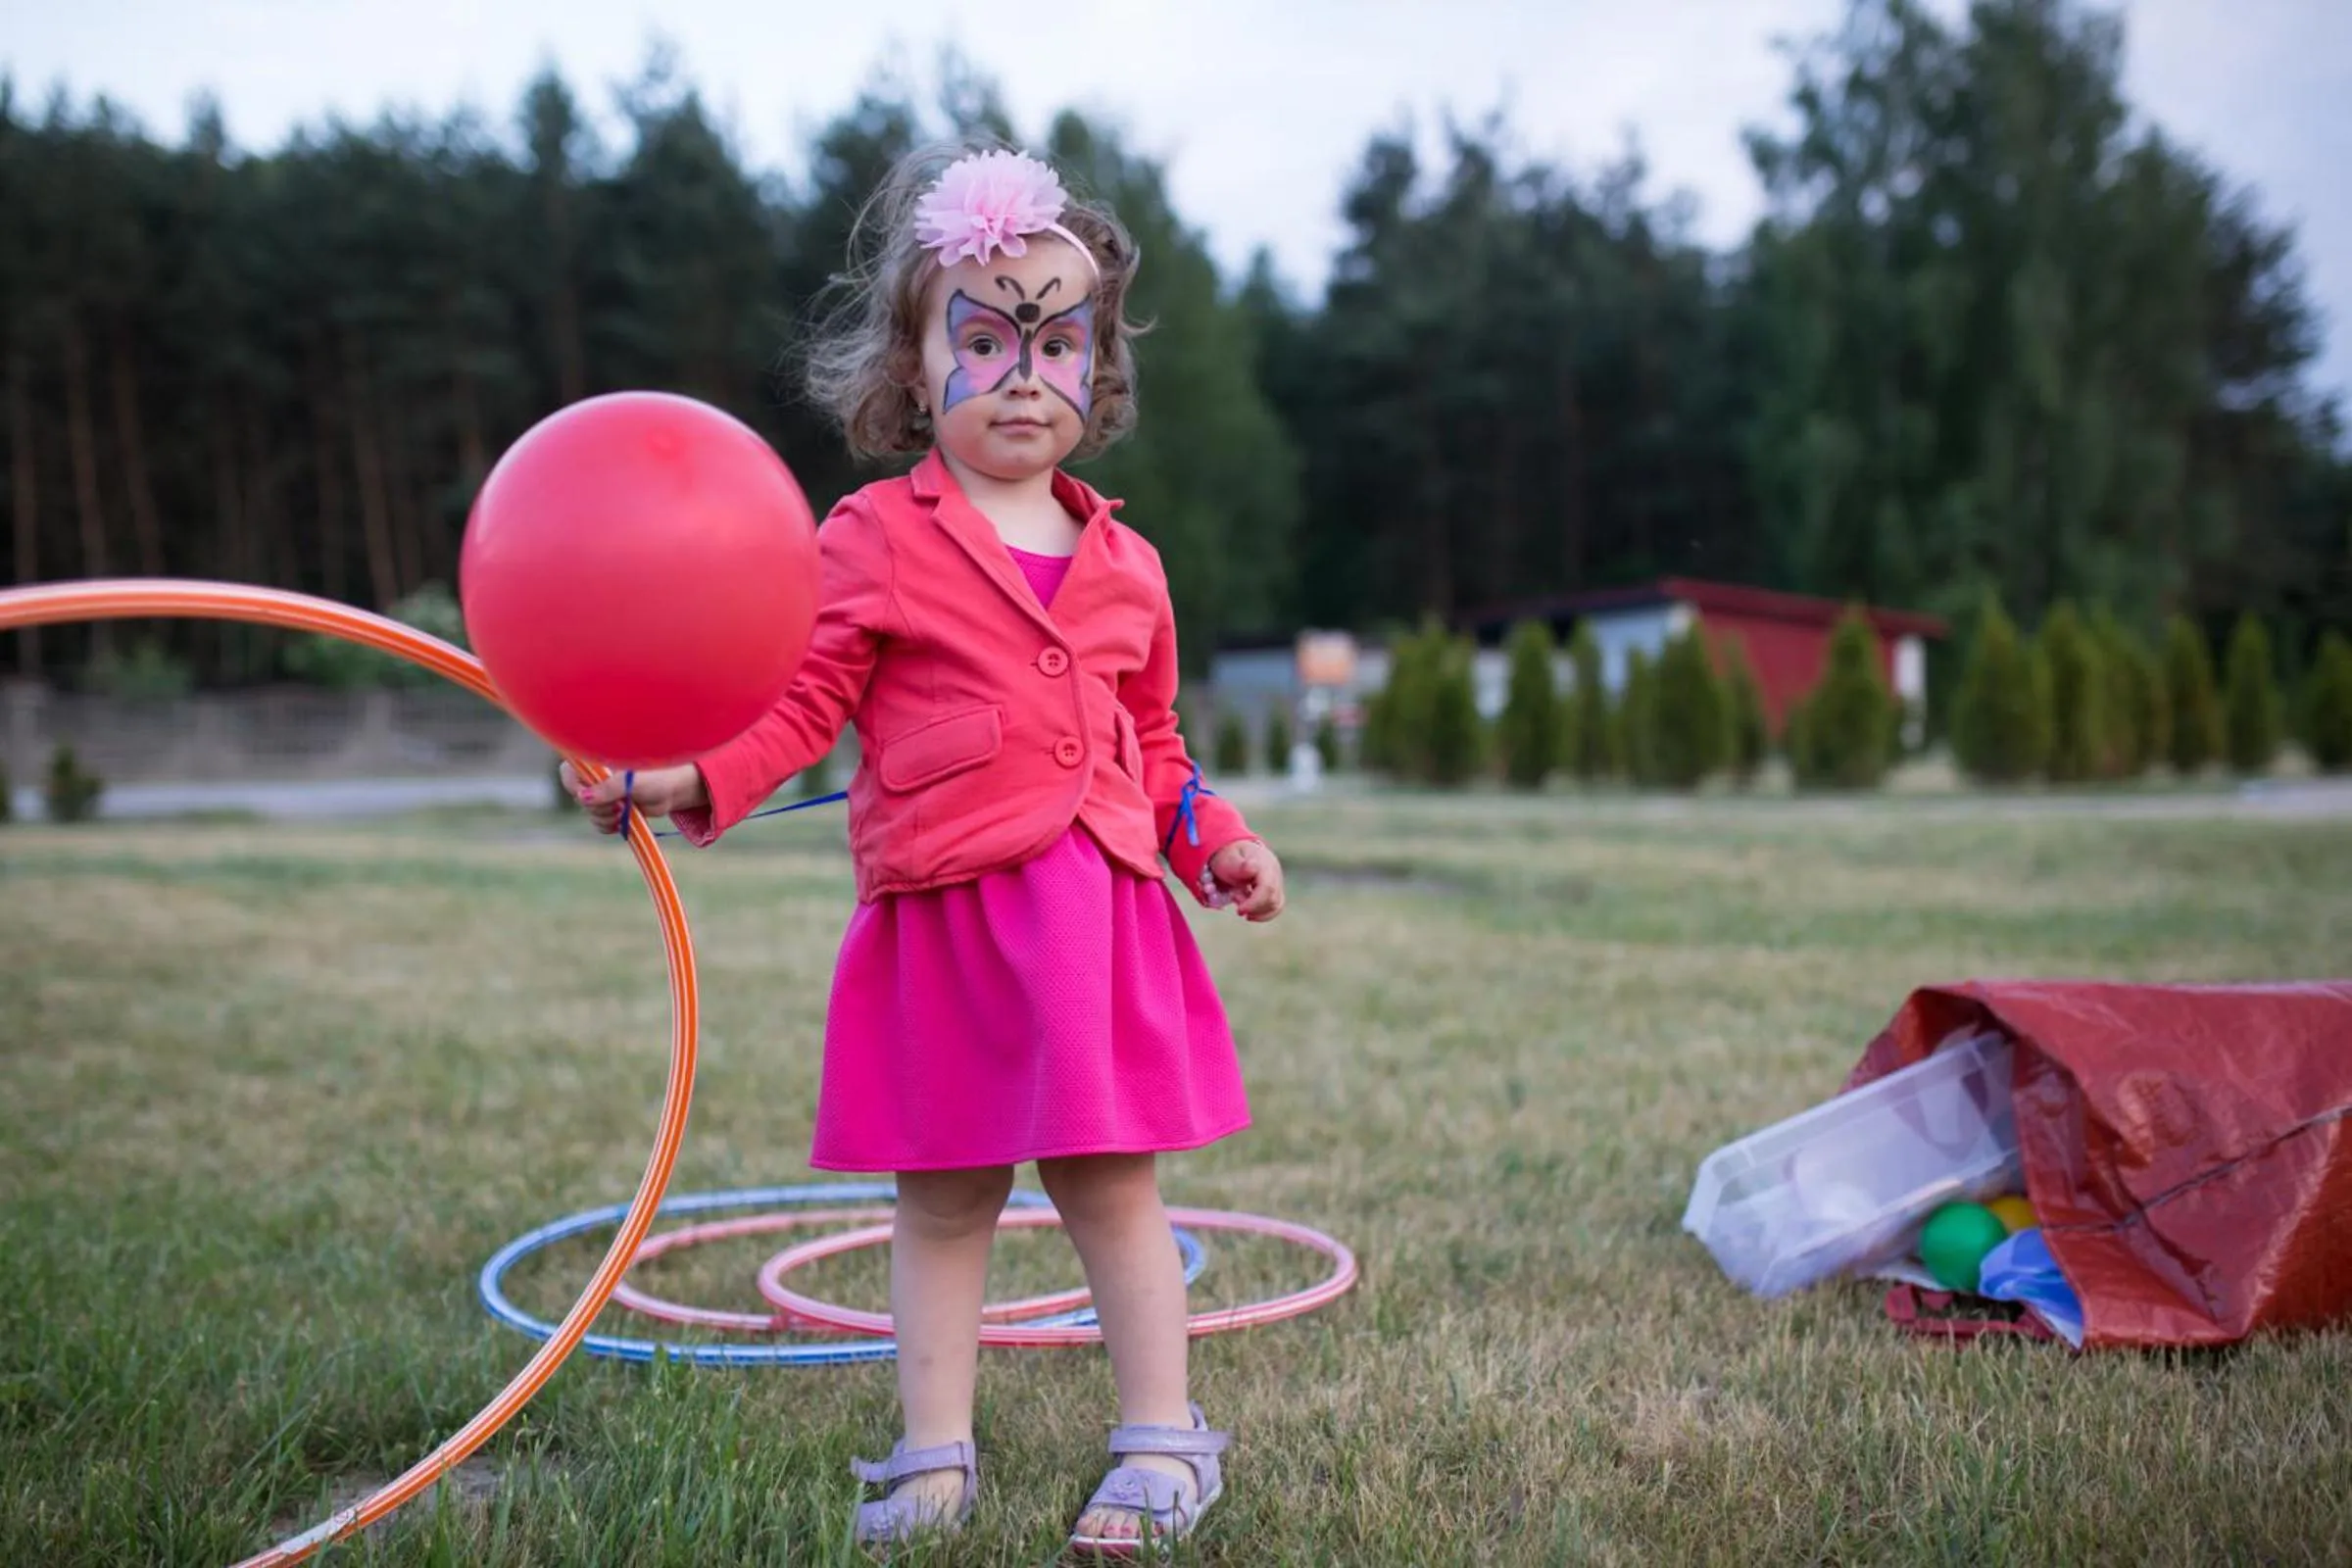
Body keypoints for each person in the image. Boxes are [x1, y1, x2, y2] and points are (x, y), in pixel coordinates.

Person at [564, 143, 1285, 1556]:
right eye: (985, 336)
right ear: (917, 361)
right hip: (947, 927)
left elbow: (1160, 748)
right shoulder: (874, 539)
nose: (1025, 371)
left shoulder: (1131, 566)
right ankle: (934, 1452)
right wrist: (686, 779)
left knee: (1111, 1184)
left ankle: (1162, 1437)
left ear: (1097, 371)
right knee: (945, 1198)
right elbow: (803, 703)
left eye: (1057, 340)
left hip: (1096, 927)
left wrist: (1224, 847)